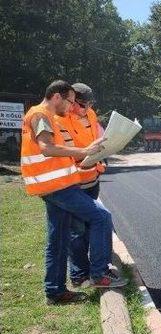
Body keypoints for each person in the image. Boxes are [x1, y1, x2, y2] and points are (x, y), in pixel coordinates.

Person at [20, 80, 126, 305]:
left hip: (56, 185)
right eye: (69, 101)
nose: (70, 107)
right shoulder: (41, 116)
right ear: (56, 96)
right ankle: (99, 274)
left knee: (57, 239)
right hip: (57, 187)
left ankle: (55, 292)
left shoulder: (46, 116)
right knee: (101, 217)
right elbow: (47, 148)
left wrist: (89, 150)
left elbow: (61, 149)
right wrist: (84, 150)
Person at [54, 83, 106, 288]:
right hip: (74, 183)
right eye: (82, 105)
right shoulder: (61, 120)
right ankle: (79, 275)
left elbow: (99, 137)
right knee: (77, 231)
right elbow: (65, 151)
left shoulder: (91, 115)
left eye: (89, 104)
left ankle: (89, 271)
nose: (86, 109)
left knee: (89, 227)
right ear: (71, 101)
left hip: (92, 179)